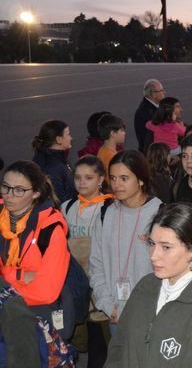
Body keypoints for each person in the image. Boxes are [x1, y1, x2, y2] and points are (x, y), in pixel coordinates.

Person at [105, 203, 192, 368]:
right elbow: (118, 348)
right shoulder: (145, 287)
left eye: (166, 247)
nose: (154, 256)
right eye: (152, 244)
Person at [89, 150, 163, 329]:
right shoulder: (105, 214)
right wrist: (107, 304)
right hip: (115, 313)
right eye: (113, 178)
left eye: (124, 178)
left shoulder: (161, 213)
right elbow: (95, 265)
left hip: (152, 315)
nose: (116, 184)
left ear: (140, 180)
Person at [0, 161, 70, 307]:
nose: (9, 195)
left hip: (40, 311)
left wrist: (6, 279)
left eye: (19, 190)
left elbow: (45, 292)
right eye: (5, 187)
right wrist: (20, 275)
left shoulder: (50, 229)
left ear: (36, 193)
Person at [60, 155, 112, 272]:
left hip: (99, 272)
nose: (82, 182)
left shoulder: (109, 209)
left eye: (88, 178)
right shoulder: (66, 207)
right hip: (73, 271)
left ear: (100, 179)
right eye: (77, 178)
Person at [32, 119, 75, 202]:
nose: (71, 138)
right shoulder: (52, 167)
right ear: (59, 139)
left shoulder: (53, 158)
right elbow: (60, 198)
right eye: (68, 134)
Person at [134, 79, 165, 152]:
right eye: (161, 90)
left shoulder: (155, 107)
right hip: (153, 154)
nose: (164, 92)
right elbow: (147, 138)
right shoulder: (144, 112)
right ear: (153, 94)